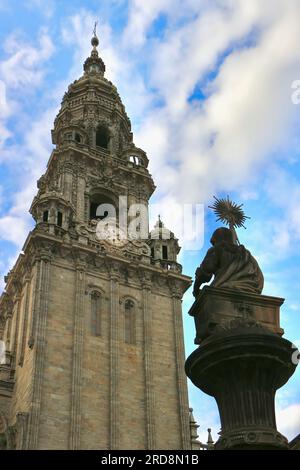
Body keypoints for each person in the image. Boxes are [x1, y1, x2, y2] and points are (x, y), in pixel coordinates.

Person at [193, 227, 264, 297]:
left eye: (213, 242)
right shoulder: (247, 255)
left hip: (224, 290)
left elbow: (205, 272)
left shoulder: (218, 249)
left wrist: (196, 289)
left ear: (215, 239)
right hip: (252, 290)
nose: (213, 244)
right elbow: (259, 277)